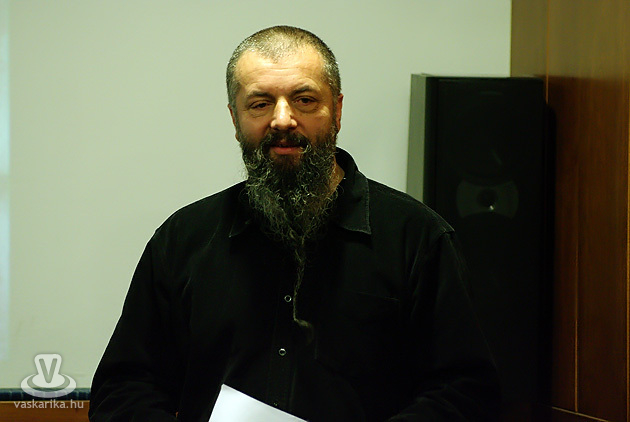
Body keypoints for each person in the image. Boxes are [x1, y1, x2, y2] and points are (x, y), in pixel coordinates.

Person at [89, 25, 500, 421]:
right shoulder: (183, 240)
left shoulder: (418, 239)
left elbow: (465, 393)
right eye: (260, 103)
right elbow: (124, 389)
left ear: (337, 110)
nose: (282, 120)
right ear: (235, 118)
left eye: (304, 100)